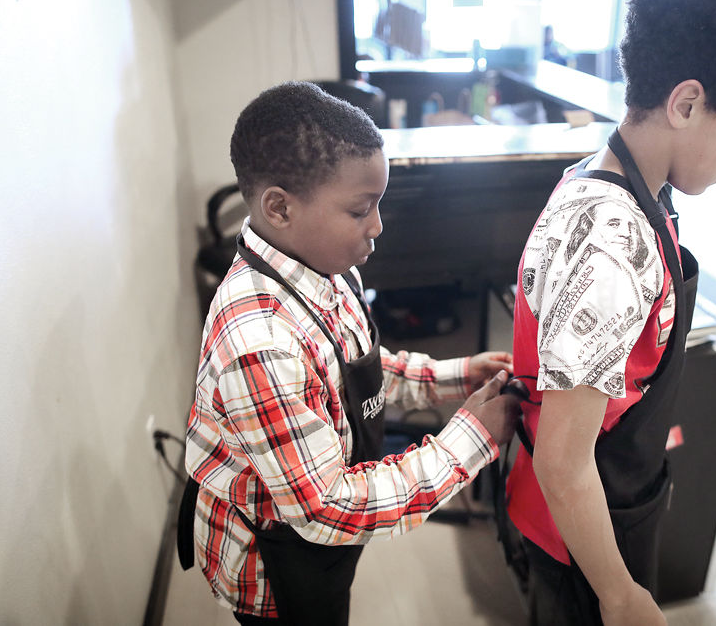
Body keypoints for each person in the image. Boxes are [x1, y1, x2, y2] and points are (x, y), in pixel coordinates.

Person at [501, 0, 716, 625]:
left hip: (614, 493)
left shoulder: (627, 182)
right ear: (687, 104)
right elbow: (566, 465)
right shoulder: (608, 244)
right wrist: (619, 594)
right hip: (582, 532)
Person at [179, 81, 521, 624]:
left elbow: (354, 367)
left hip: (319, 531)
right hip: (274, 569)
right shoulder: (258, 343)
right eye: (361, 208)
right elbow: (325, 508)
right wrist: (472, 440)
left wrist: (454, 375)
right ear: (279, 208)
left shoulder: (328, 269)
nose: (378, 226)